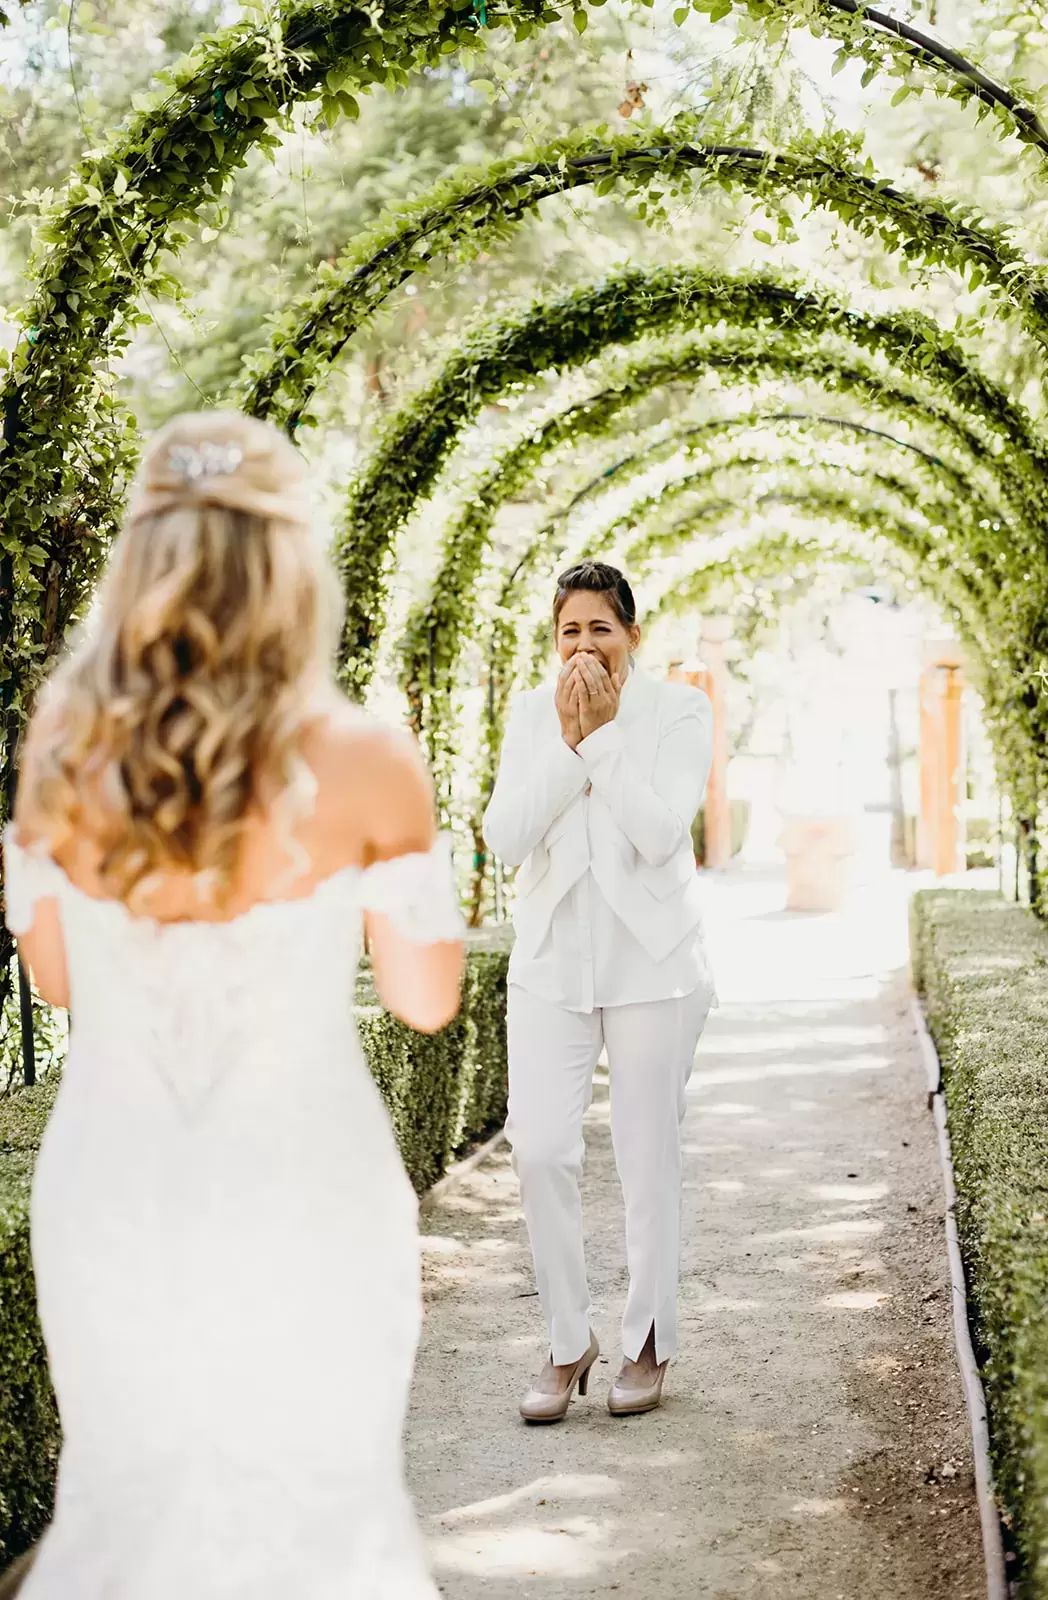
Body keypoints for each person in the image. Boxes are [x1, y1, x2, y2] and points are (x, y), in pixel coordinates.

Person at [4, 412, 464, 1598]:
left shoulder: (59, 740)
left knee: (126, 1501)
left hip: (114, 1190)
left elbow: (57, 984)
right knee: (322, 1508)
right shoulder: (366, 756)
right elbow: (426, 999)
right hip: (306, 1186)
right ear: (290, 566)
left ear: (141, 563)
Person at [483, 560, 715, 1423]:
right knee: (539, 1147)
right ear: (555, 640)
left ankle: (648, 1339)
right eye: (569, 632)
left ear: (632, 636)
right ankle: (565, 1340)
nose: (585, 647)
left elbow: (661, 834)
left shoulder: (680, 711)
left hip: (652, 960)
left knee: (645, 1154)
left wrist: (606, 739)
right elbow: (506, 835)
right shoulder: (527, 713)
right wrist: (567, 745)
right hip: (551, 959)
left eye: (600, 629)